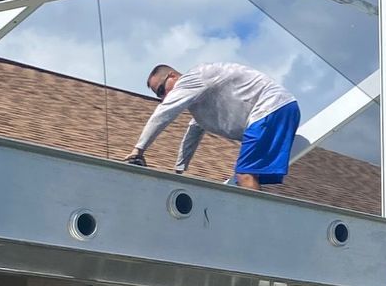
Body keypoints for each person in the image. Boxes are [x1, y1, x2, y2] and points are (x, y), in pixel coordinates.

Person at [128, 62, 301, 191]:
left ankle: (257, 226)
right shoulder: (199, 105)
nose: (164, 97)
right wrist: (179, 169)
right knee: (249, 178)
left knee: (244, 175)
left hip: (270, 108)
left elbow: (163, 113)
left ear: (173, 76)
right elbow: (193, 132)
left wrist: (138, 150)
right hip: (283, 108)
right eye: (159, 96)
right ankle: (260, 217)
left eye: (161, 90)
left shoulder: (193, 78)